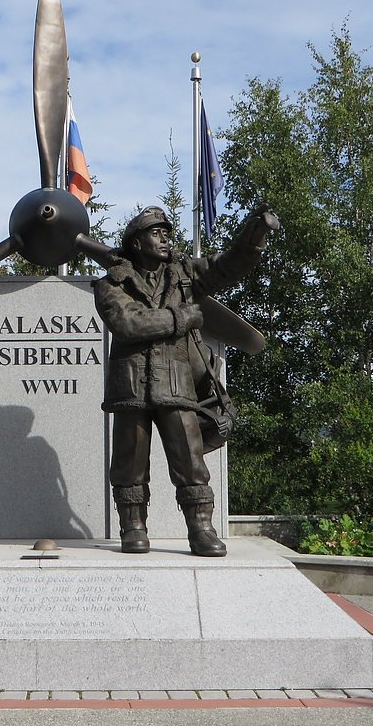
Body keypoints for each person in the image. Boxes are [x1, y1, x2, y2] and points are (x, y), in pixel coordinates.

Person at [93, 205, 278, 557]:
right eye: (156, 233)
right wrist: (184, 316)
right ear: (136, 242)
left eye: (167, 233)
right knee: (129, 464)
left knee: (191, 463)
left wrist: (255, 234)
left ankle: (201, 528)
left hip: (177, 384)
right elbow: (129, 324)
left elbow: (227, 266)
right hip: (131, 387)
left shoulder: (184, 274)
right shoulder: (110, 284)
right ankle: (132, 528)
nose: (165, 238)